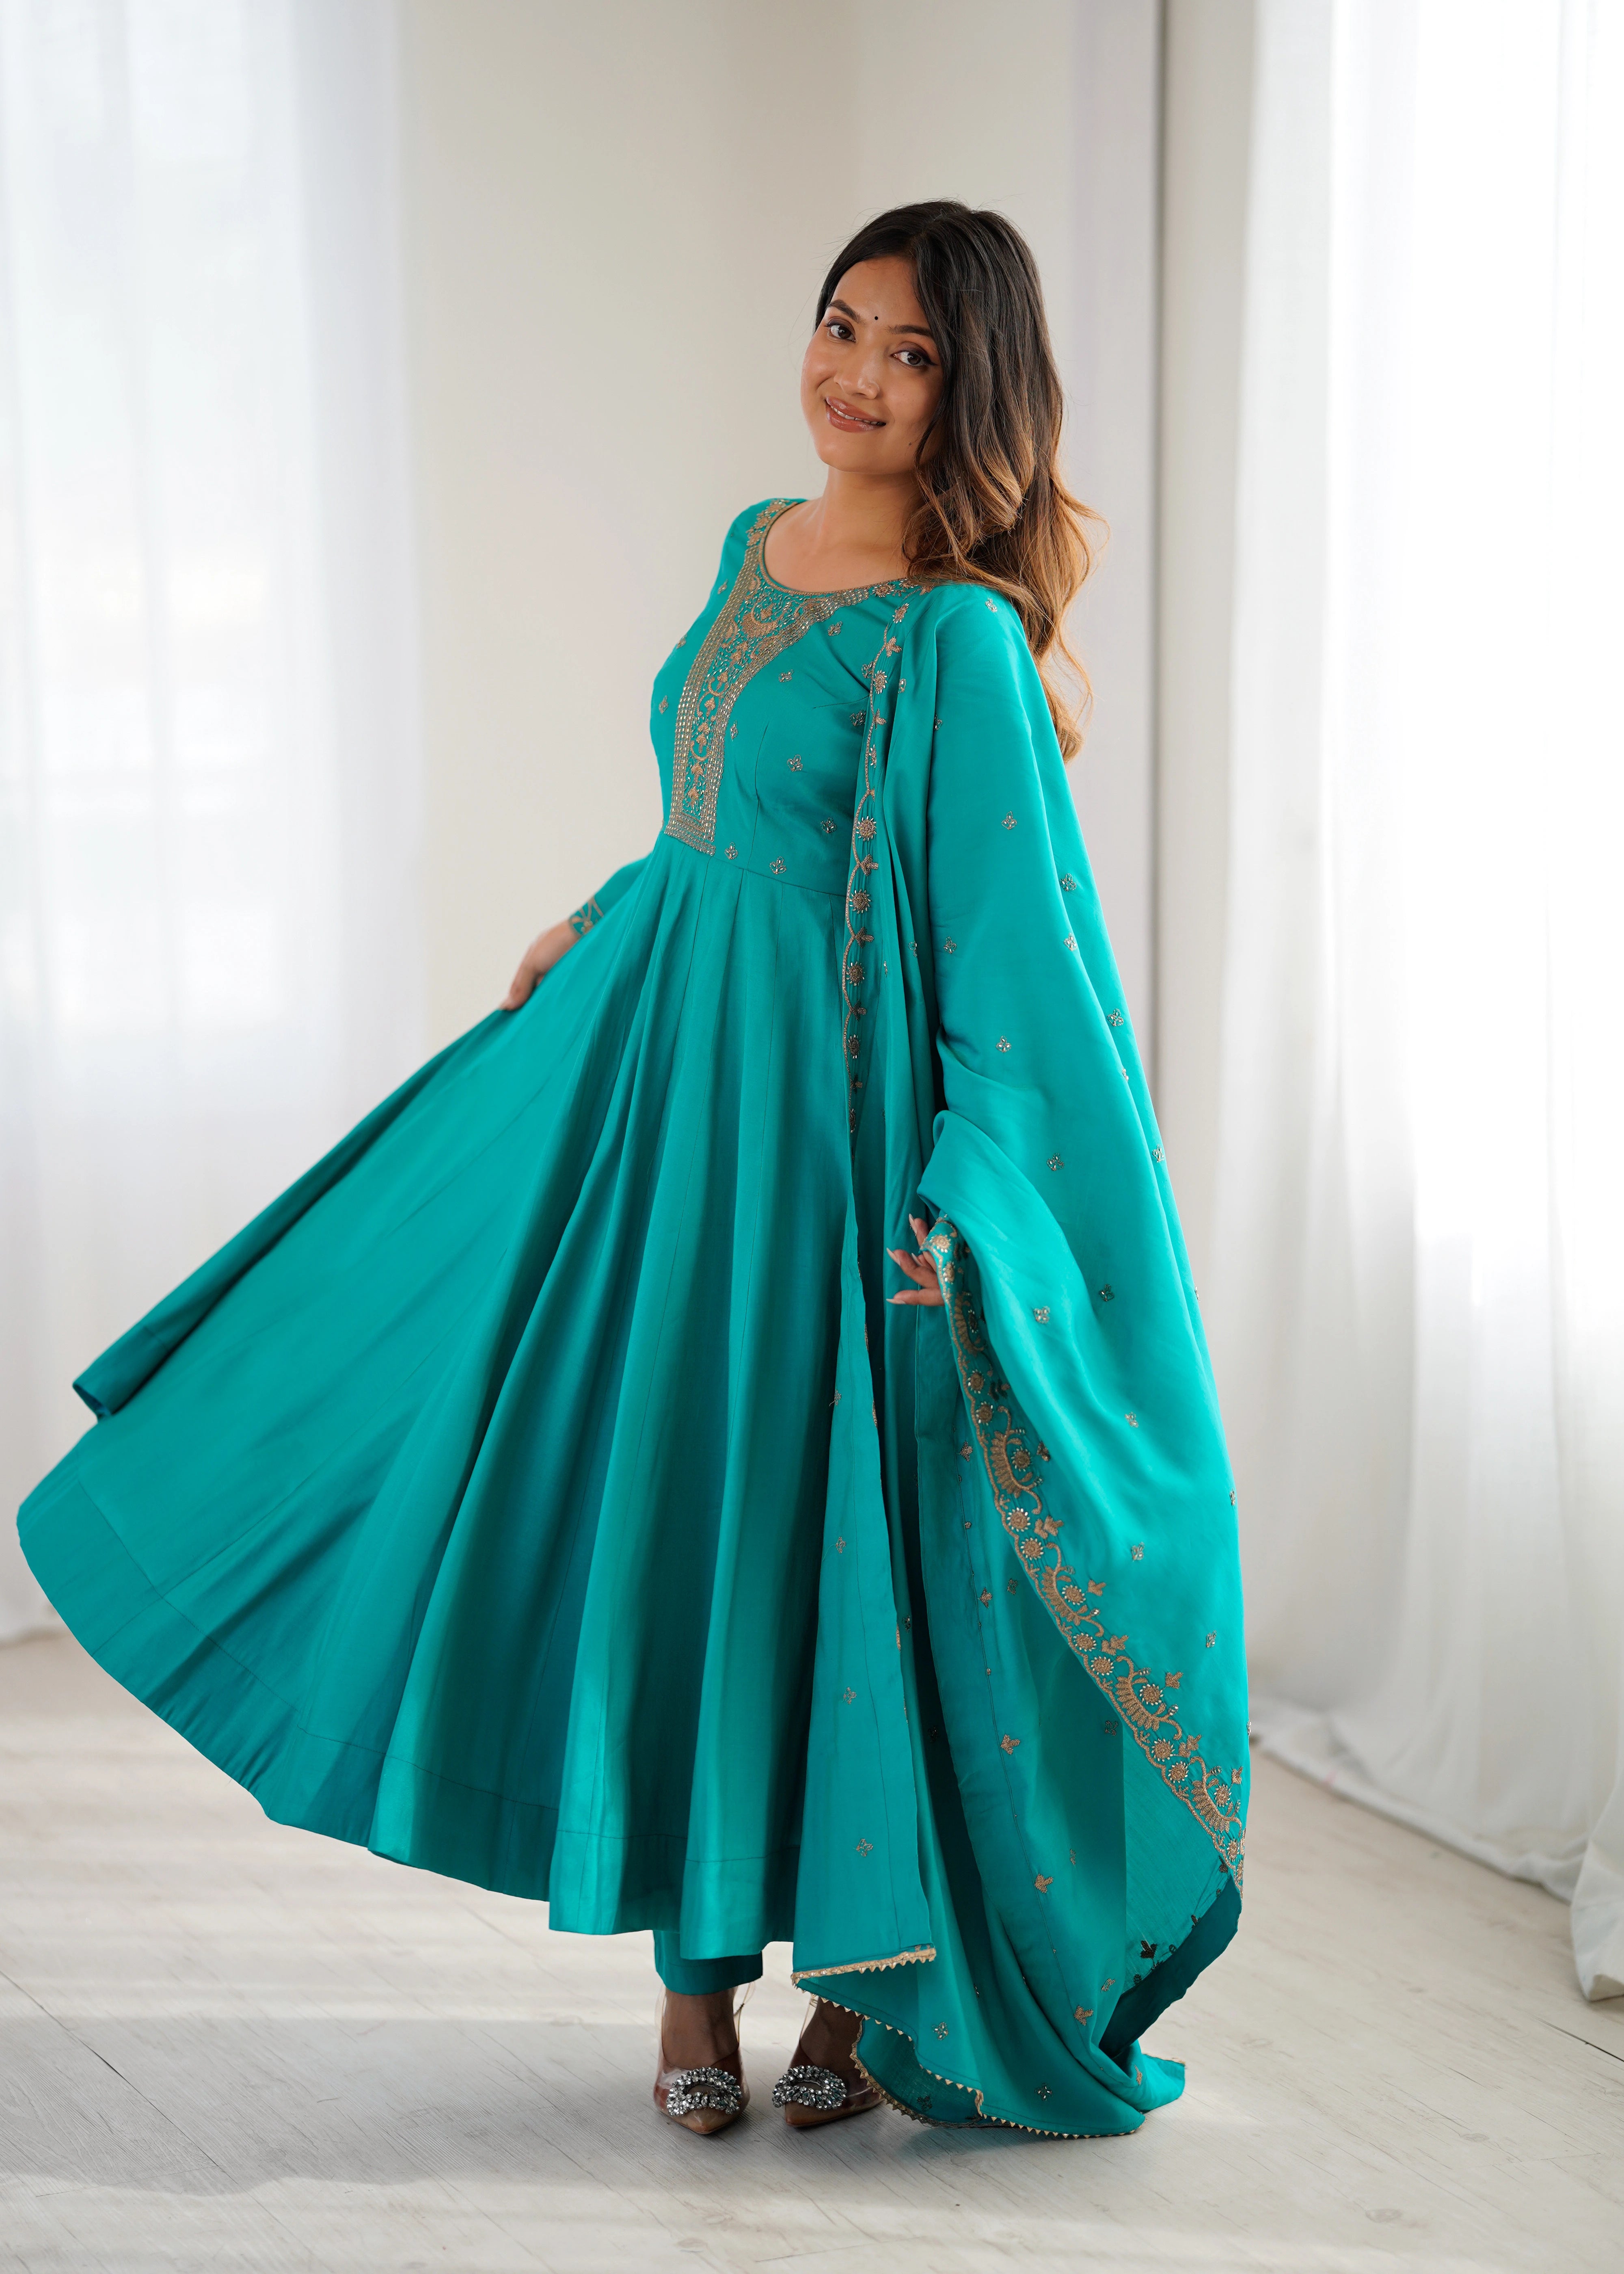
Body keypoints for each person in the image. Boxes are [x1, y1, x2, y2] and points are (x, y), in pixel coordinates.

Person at [18, 201, 1248, 2140]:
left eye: (909, 352)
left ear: (973, 386)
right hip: (666, 1110)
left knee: (836, 1552)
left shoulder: (953, 638)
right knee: (669, 1514)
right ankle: (690, 1995)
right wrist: (606, 908)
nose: (854, 374)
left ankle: (851, 2008)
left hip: (833, 1161)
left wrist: (976, 1206)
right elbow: (720, 815)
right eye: (841, 326)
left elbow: (1023, 968)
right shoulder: (748, 550)